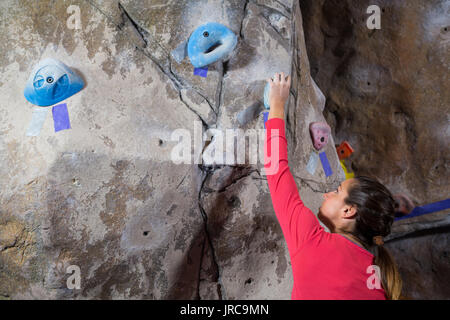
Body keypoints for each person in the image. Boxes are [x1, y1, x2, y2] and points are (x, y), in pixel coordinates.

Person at [264, 72, 402, 300]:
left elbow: (276, 172)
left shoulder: (313, 242)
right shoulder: (377, 280)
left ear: (349, 211)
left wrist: (277, 104)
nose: (327, 194)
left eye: (337, 192)